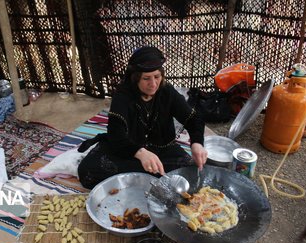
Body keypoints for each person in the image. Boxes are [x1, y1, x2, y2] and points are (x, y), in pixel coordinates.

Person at [77, 46, 208, 189]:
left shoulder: (166, 92)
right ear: (135, 78)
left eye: (157, 77)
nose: (153, 84)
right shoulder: (123, 96)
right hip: (129, 152)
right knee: (87, 171)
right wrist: (140, 153)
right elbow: (116, 136)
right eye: (146, 78)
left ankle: (140, 180)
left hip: (162, 149)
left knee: (191, 173)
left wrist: (197, 143)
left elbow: (193, 119)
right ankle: (147, 179)